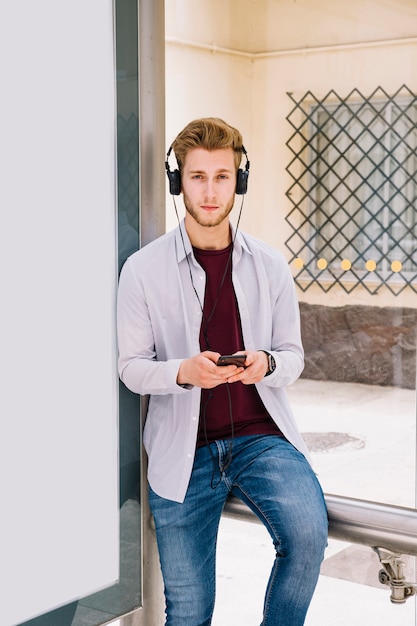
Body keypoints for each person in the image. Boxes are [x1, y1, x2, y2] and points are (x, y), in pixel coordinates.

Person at [117, 117, 328, 626]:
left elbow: (292, 358)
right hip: (182, 454)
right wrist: (183, 372)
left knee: (307, 536)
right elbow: (131, 369)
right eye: (197, 177)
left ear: (240, 181)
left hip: (261, 438)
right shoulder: (143, 270)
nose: (210, 192)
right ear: (178, 183)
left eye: (222, 177)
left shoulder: (271, 266)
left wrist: (267, 363)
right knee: (188, 613)